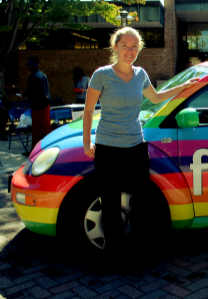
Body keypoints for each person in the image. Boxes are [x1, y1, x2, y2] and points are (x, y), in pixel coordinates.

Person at [82, 27, 199, 251]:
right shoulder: (101, 75)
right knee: (110, 201)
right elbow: (88, 111)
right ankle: (114, 251)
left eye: (135, 46)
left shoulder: (141, 74)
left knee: (141, 201)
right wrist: (87, 142)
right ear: (115, 47)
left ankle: (137, 248)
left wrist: (183, 87)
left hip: (136, 146)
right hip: (107, 147)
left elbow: (155, 97)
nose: (130, 50)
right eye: (125, 45)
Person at [24, 56, 52, 153]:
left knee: (37, 129)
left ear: (31, 66)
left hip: (38, 105)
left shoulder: (34, 77)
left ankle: (35, 150)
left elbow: (35, 93)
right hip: (46, 104)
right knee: (46, 127)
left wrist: (26, 94)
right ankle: (48, 146)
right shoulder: (43, 75)